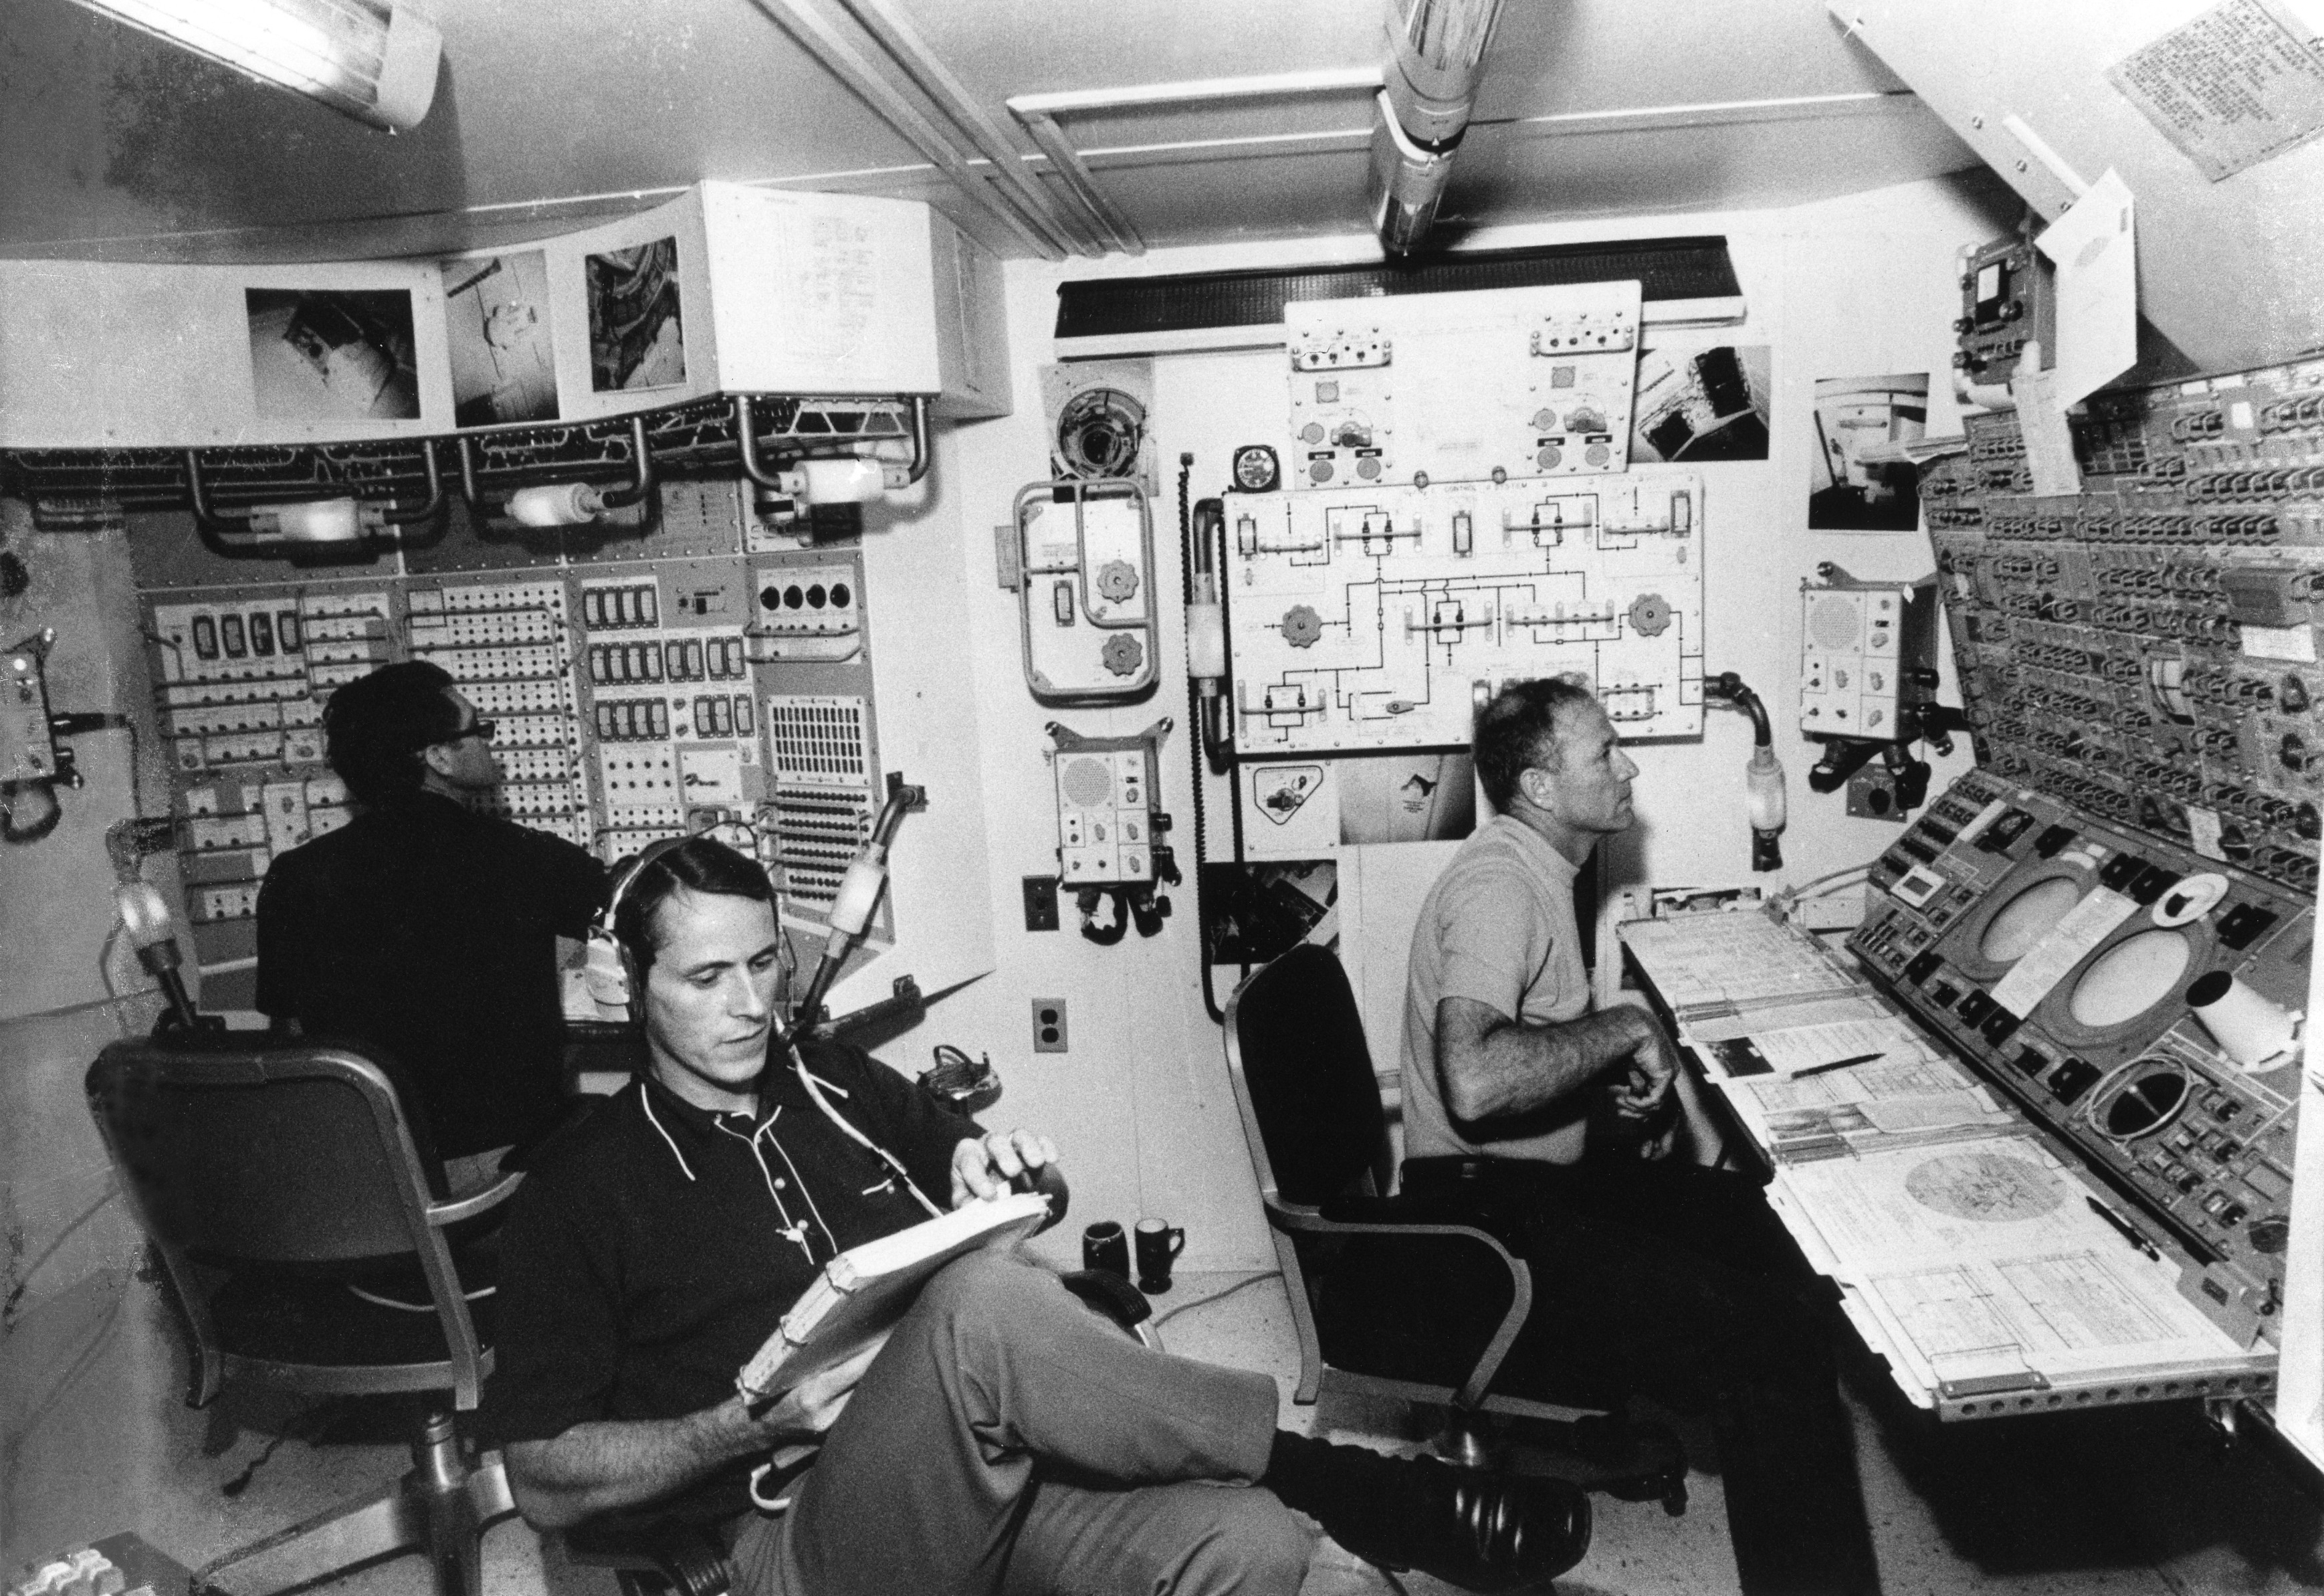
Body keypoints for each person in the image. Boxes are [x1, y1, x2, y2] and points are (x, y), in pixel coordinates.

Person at [480, 837, 1594, 1596]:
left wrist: (1004, 1176)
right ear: (629, 986)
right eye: (706, 974)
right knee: (976, 1309)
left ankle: (1303, 1487)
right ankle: (1349, 1480)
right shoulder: (577, 1189)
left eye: (767, 962)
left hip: (975, 1465)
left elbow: (1021, 1217)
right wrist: (746, 1423)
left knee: (1249, 1547)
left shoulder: (837, 1085)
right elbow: (541, 1475)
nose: (750, 1004)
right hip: (791, 1536)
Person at [1400, 678, 1883, 1596]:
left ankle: (1786, 1470)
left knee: (1770, 1224)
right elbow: (1473, 1078)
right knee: (1766, 1344)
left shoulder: (1538, 865)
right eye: (1603, 753)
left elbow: (1528, 1051)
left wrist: (1601, 1088)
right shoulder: (1500, 887)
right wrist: (1621, 1029)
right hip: (1478, 1231)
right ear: (1541, 787)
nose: (1626, 769)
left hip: (1523, 1190)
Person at [255, 660, 607, 1185]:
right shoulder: (519, 857)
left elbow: (290, 1037)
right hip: (503, 1168)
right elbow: (630, 906)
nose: (491, 746)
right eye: (479, 731)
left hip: (368, 1176)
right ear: (438, 757)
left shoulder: (295, 876)